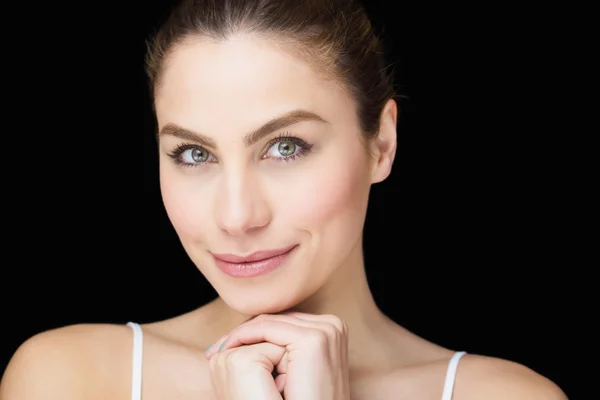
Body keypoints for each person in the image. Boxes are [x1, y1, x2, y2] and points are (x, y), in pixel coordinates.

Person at [1, 0, 567, 399]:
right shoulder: (68, 379)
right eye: (194, 154)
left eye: (286, 147)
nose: (237, 217)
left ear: (382, 144)